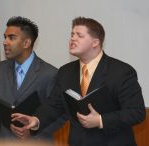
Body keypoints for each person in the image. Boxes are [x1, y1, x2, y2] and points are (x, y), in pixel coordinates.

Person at [11, 17, 146, 146]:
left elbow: (136, 112)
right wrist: (36, 119)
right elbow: (54, 104)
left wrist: (100, 120)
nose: (72, 39)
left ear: (95, 42)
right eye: (72, 34)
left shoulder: (121, 72)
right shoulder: (65, 72)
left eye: (79, 36)